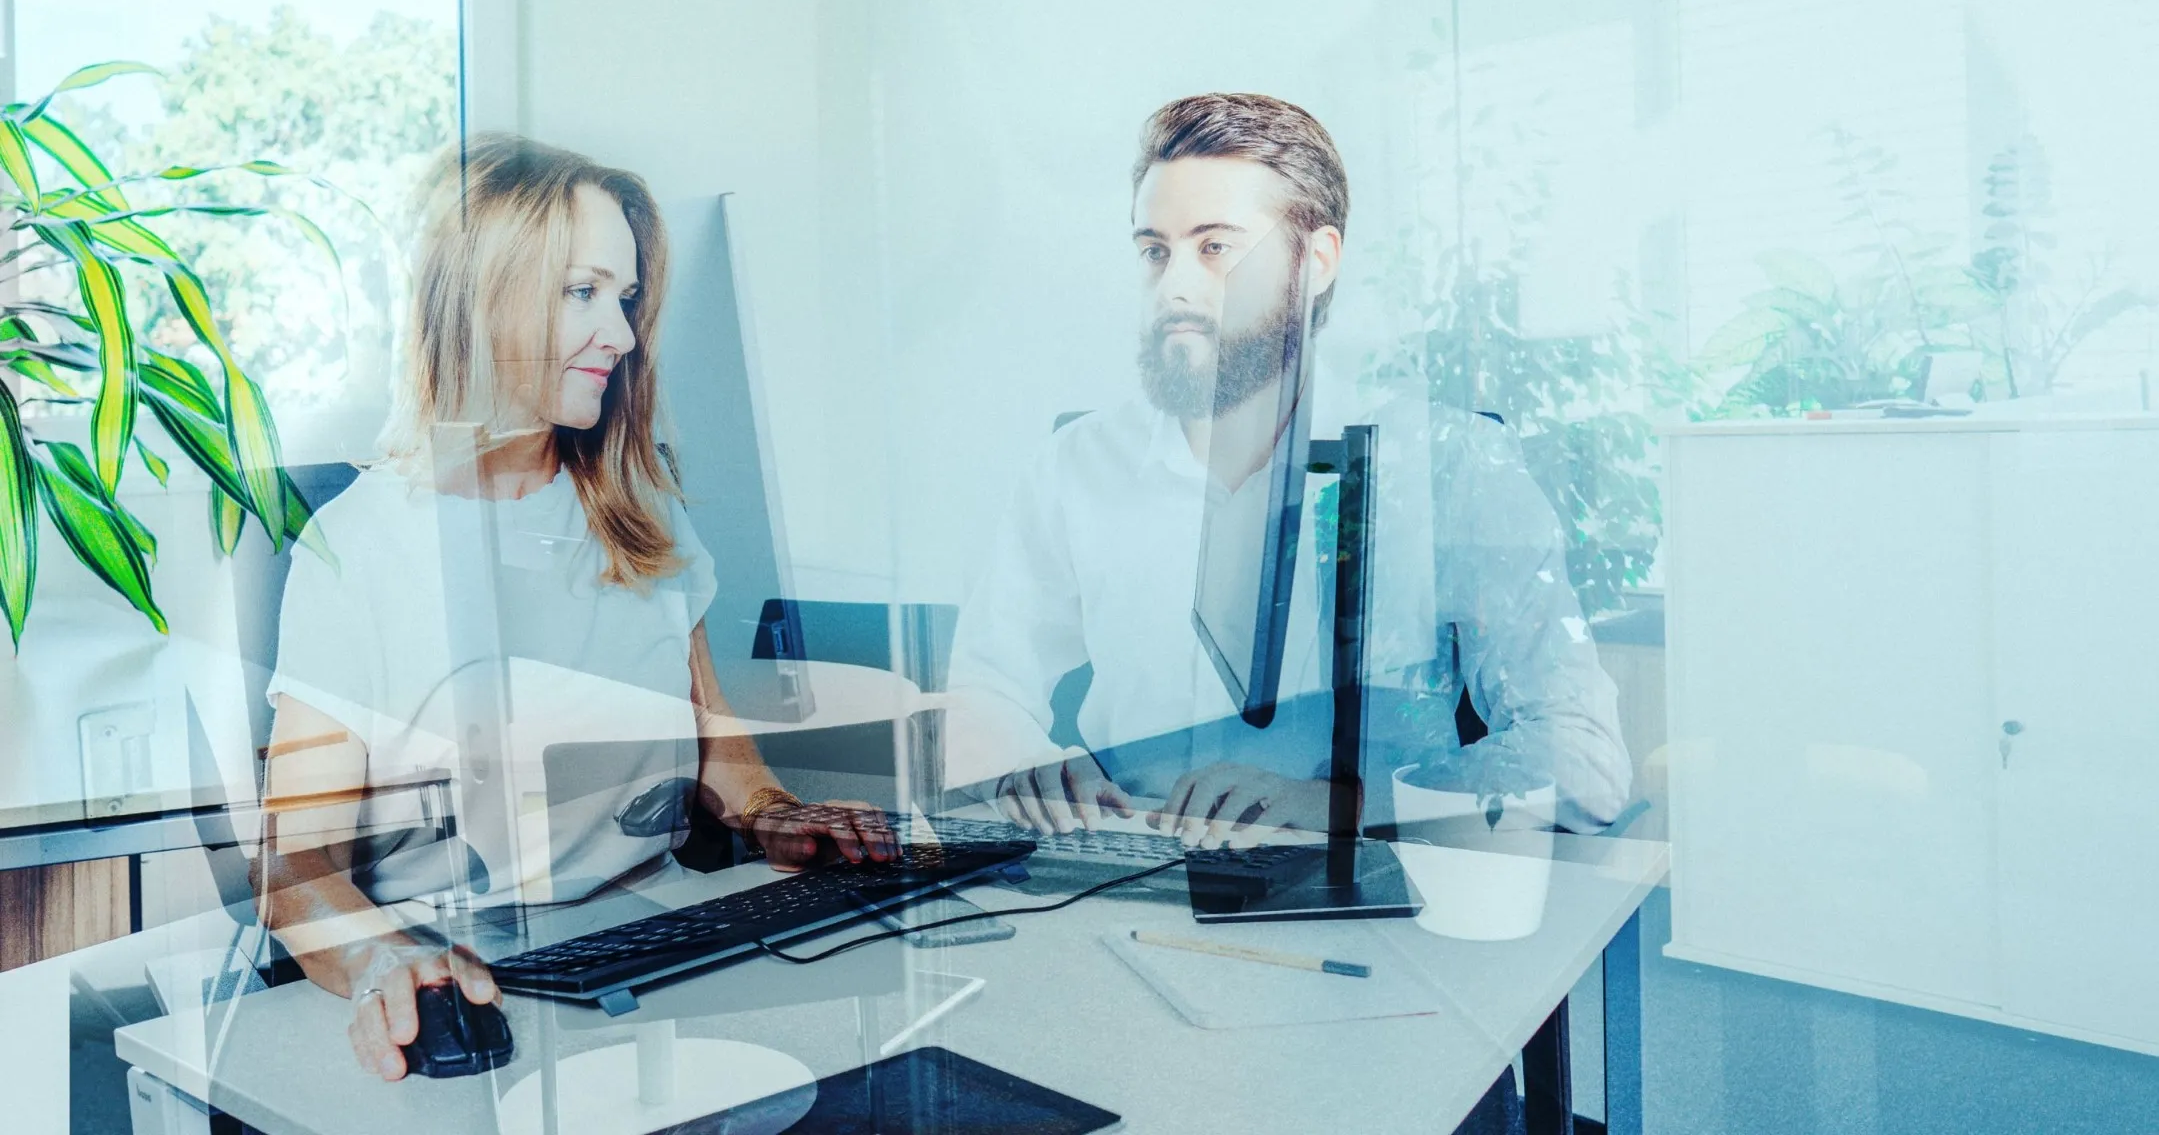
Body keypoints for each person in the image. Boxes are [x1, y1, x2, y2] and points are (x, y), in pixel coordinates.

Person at [254, 135, 892, 1083]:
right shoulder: (362, 547)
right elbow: (295, 869)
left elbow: (730, 766)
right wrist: (381, 960)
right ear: (480, 293)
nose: (623, 335)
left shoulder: (640, 510)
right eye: (581, 292)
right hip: (474, 978)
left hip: (664, 948)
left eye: (625, 298)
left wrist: (779, 819)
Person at [943, 92, 1630, 842]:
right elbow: (984, 687)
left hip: (1364, 887)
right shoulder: (1075, 468)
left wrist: (1349, 805)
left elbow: (1583, 761)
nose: (1173, 284)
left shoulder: (1443, 465)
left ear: (1317, 261)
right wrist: (1025, 764)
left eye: (1215, 247)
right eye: (1154, 250)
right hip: (1125, 868)